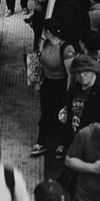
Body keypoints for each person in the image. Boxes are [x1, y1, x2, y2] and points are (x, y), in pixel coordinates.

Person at [32, 19, 76, 157]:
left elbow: (70, 73)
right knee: (45, 114)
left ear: (48, 32)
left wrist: (68, 93)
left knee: (61, 116)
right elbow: (38, 62)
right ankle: (42, 142)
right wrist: (37, 81)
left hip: (61, 85)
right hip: (47, 84)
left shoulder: (66, 48)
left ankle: (62, 144)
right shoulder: (44, 43)